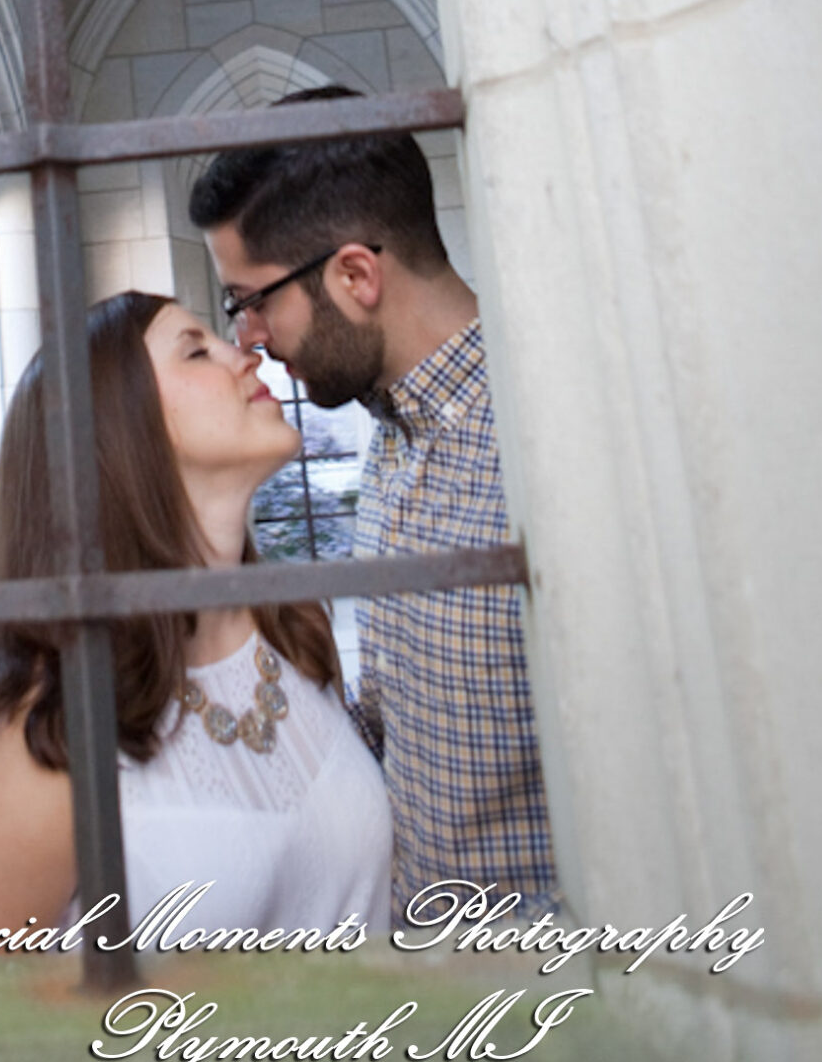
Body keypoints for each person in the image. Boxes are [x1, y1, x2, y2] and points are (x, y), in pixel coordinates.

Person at [187, 92, 558, 922]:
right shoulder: (390, 436)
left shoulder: (552, 445)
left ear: (355, 275)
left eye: (250, 300)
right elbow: (409, 729)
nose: (246, 337)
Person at [0, 290, 391, 937]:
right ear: (118, 428)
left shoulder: (294, 624)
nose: (245, 352)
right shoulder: (49, 740)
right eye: (197, 350)